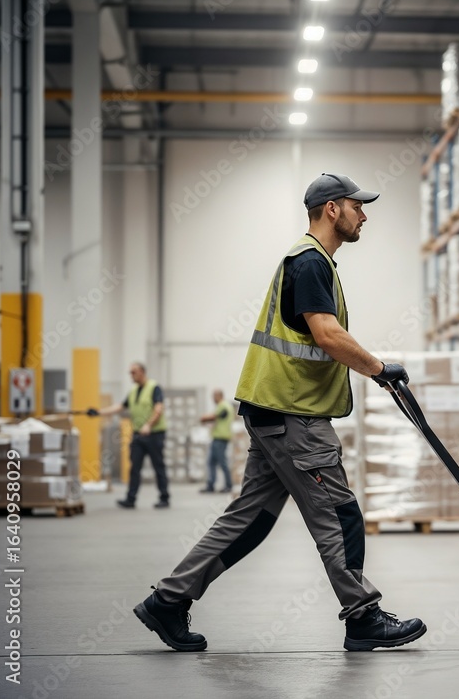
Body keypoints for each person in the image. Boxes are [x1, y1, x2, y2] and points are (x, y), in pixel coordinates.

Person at [130, 172, 425, 653]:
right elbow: (327, 336)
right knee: (339, 514)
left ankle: (168, 600)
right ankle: (364, 616)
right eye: (357, 206)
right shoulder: (309, 263)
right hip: (294, 417)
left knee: (251, 519)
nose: (364, 215)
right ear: (332, 209)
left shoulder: (311, 262)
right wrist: (378, 368)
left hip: (275, 413)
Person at [88, 362, 170, 509]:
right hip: (138, 435)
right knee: (134, 467)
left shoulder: (154, 387)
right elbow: (120, 406)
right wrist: (98, 412)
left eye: (133, 372)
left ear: (142, 372)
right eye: (130, 372)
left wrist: (148, 425)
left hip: (154, 434)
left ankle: (164, 498)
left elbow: (158, 409)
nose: (131, 375)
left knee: (158, 466)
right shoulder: (133, 391)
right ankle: (130, 499)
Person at [199, 389, 234, 494]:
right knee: (211, 462)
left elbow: (215, 416)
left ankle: (228, 485)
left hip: (221, 438)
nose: (213, 399)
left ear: (218, 396)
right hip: (217, 438)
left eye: (213, 396)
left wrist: (204, 418)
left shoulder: (224, 406)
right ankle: (210, 485)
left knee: (222, 462)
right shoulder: (223, 406)